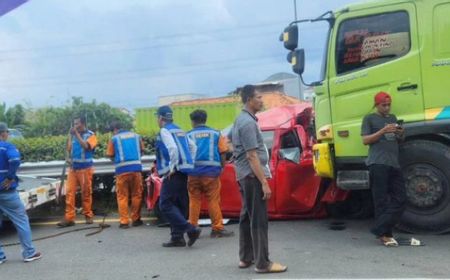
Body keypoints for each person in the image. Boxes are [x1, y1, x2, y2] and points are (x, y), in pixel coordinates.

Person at [230, 85, 287, 273]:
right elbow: (252, 156)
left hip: (245, 175)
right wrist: (264, 182)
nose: (262, 100)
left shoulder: (242, 120)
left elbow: (232, 143)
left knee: (247, 216)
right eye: (259, 97)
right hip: (252, 176)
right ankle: (263, 263)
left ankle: (246, 258)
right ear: (249, 100)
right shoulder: (247, 123)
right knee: (258, 220)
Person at [361, 91, 406, 246]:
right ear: (376, 105)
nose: (387, 108)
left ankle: (379, 229)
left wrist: (400, 132)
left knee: (400, 198)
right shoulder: (369, 118)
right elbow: (365, 140)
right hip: (378, 163)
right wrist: (382, 131)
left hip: (394, 163)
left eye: (388, 105)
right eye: (383, 105)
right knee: (380, 200)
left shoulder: (392, 118)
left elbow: (399, 140)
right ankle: (385, 234)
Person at [155, 105, 201, 247]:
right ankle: (177, 238)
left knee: (165, 204)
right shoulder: (179, 130)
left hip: (174, 172)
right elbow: (193, 147)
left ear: (161, 118)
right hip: (184, 171)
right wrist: (188, 161)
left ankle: (190, 229)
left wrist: (172, 167)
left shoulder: (165, 130)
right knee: (178, 204)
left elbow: (172, 148)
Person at [187, 109, 234, 238]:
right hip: (211, 173)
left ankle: (192, 228)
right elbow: (223, 151)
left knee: (194, 200)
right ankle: (217, 229)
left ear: (192, 121)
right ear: (205, 119)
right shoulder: (216, 134)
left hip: (193, 173)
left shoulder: (188, 135)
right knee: (213, 200)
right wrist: (222, 167)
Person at [0, 122, 42, 263]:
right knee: (21, 220)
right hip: (6, 192)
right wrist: (10, 176)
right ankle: (29, 253)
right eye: (7, 132)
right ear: (4, 133)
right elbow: (15, 159)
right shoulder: (7, 146)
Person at [58, 116, 97, 227]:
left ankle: (88, 216)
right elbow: (68, 149)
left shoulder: (91, 135)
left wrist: (76, 135)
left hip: (85, 169)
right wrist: (67, 158)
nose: (75, 126)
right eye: (74, 123)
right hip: (73, 169)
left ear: (83, 123)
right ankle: (69, 218)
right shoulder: (72, 135)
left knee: (86, 192)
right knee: (69, 193)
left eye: (77, 123)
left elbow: (86, 146)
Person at [106, 120, 145, 229]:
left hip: (121, 171)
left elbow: (110, 154)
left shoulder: (114, 139)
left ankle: (124, 222)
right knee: (136, 195)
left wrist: (117, 161)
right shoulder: (137, 136)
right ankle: (136, 219)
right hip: (136, 169)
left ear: (115, 129)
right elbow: (142, 151)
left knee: (122, 196)